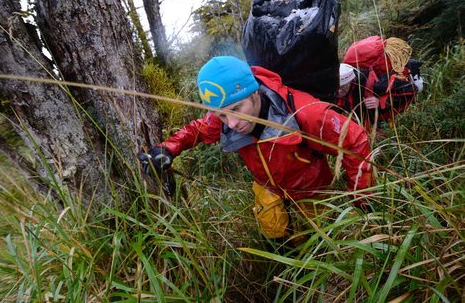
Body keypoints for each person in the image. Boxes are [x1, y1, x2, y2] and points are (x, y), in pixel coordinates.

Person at [139, 56, 373, 253]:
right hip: (266, 185)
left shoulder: (306, 113)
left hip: (311, 187)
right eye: (221, 116)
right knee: (273, 231)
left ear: (254, 93)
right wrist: (167, 148)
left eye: (237, 110)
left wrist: (362, 199)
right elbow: (198, 129)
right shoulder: (226, 113)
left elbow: (355, 140)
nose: (231, 124)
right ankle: (284, 263)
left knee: (315, 241)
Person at [337, 61, 424, 125]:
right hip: (361, 121)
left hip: (384, 121)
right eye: (337, 88)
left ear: (352, 80)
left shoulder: (377, 82)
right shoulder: (335, 88)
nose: (339, 91)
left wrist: (380, 102)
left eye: (343, 87)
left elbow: (411, 89)